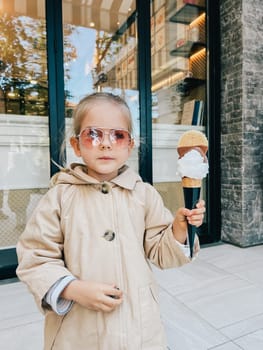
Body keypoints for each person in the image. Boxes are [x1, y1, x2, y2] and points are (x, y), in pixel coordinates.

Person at [16, 92, 206, 350]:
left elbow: (162, 253)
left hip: (139, 327)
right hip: (78, 331)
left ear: (130, 145)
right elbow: (35, 257)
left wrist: (179, 229)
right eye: (93, 134)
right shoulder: (59, 197)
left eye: (117, 135)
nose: (105, 144)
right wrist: (73, 289)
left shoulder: (144, 194)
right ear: (76, 145)